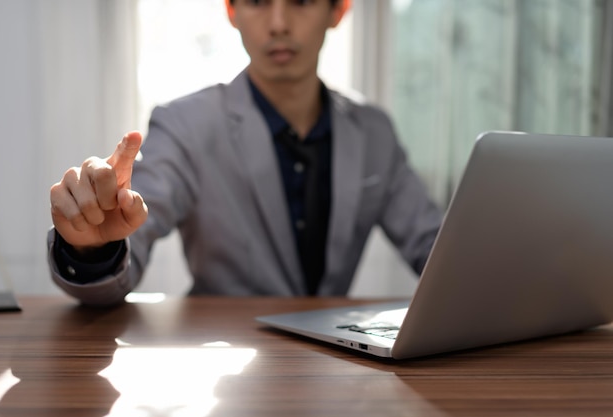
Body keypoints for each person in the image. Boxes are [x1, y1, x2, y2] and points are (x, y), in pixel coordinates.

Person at [48, 0, 443, 306]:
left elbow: (436, 250)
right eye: (256, 1)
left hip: (335, 370)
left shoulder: (374, 131)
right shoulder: (185, 124)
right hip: (222, 365)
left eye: (302, 2)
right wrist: (92, 248)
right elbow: (135, 228)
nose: (278, 24)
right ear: (231, 11)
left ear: (338, 10)